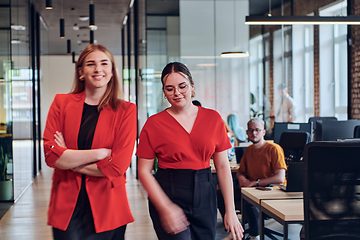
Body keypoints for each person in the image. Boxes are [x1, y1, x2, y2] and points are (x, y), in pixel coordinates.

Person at [136, 62, 243, 240]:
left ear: (192, 87)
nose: (177, 93)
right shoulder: (153, 124)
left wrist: (230, 210)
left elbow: (223, 166)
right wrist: (165, 207)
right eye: (169, 89)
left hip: (205, 193)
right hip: (169, 191)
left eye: (182, 86)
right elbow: (143, 171)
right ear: (164, 93)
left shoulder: (213, 118)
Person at [42, 44, 137, 240]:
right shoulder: (61, 103)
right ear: (81, 72)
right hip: (67, 204)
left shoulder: (126, 110)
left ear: (112, 71)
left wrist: (69, 156)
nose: (97, 69)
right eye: (90, 64)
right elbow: (52, 156)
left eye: (104, 63)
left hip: (109, 204)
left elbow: (118, 166)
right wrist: (102, 153)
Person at [236, 117, 287, 240]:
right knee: (221, 194)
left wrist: (254, 183)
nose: (254, 133)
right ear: (247, 132)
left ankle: (255, 236)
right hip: (255, 189)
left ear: (263, 132)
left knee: (250, 201)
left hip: (273, 190)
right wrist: (242, 178)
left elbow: (280, 178)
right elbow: (240, 172)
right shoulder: (248, 150)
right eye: (251, 130)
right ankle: (235, 228)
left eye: (257, 130)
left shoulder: (274, 149)